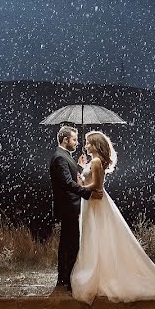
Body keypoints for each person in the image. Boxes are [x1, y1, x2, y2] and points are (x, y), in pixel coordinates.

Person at [70, 130, 155, 304]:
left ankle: (100, 274)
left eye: (88, 142)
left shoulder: (96, 162)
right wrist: (83, 171)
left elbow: (96, 185)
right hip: (93, 203)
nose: (86, 145)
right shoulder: (93, 162)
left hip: (96, 204)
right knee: (97, 237)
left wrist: (80, 184)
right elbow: (91, 181)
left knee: (97, 236)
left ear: (96, 145)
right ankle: (100, 271)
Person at [49, 125, 103, 293]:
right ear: (65, 140)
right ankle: (66, 280)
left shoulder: (65, 156)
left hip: (71, 206)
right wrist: (88, 193)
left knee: (69, 243)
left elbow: (73, 177)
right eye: (74, 139)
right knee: (69, 244)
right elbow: (67, 183)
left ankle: (66, 279)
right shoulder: (60, 157)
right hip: (68, 207)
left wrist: (79, 167)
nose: (76, 142)